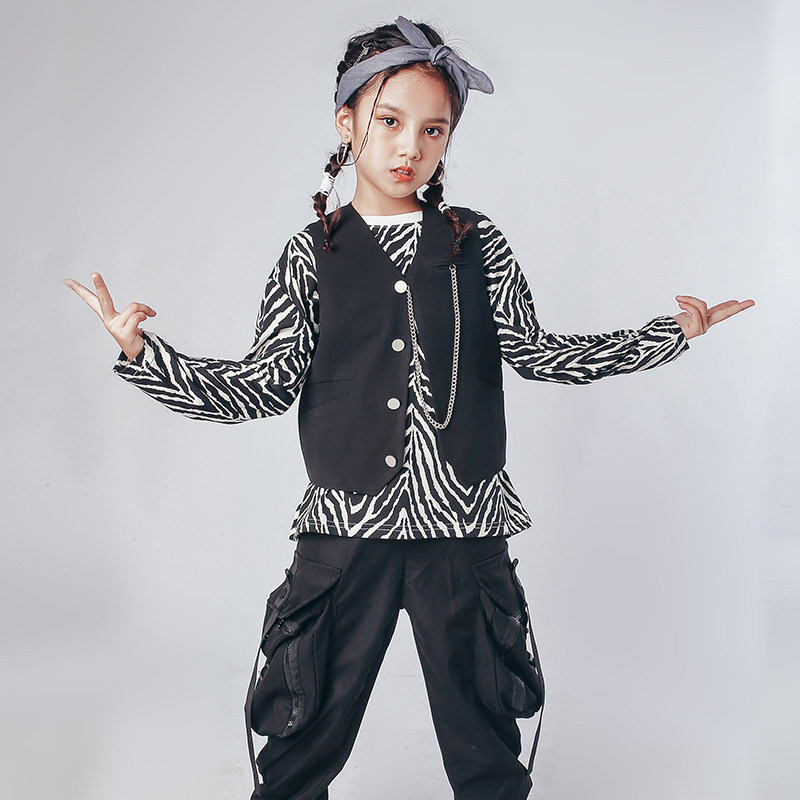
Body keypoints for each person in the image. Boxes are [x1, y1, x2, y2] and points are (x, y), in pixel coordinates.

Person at [65, 16, 754, 800]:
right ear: (346, 122)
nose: (410, 148)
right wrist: (144, 354)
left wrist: (669, 334)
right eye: (390, 122)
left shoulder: (476, 243)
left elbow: (536, 352)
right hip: (346, 529)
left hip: (463, 526)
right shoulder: (311, 255)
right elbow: (263, 385)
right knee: (301, 732)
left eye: (433, 130)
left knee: (487, 741)